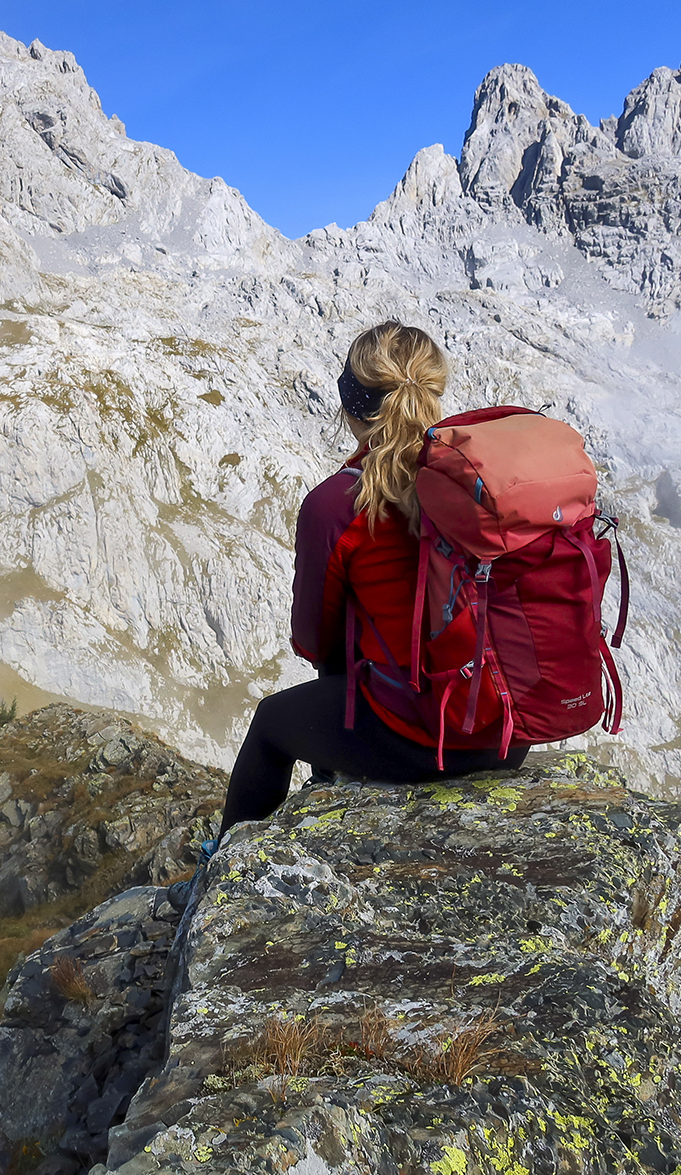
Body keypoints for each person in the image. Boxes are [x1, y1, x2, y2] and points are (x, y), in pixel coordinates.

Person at [214, 322, 531, 839]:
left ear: (349, 403)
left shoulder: (338, 505)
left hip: (424, 737)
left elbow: (314, 639)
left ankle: (223, 870)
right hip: (507, 731)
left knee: (271, 724)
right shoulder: (479, 483)